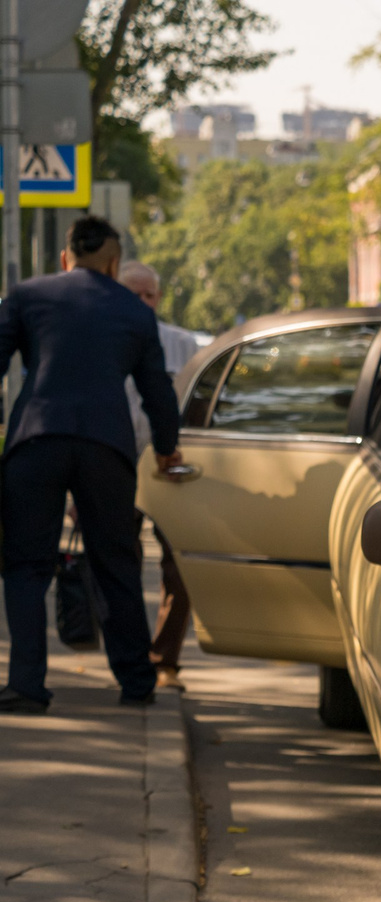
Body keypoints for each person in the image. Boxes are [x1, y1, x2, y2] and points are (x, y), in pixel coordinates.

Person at [0, 217, 181, 713]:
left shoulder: (26, 296)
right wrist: (167, 448)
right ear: (115, 264)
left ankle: (26, 684)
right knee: (115, 563)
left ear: (65, 258)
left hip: (35, 441)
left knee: (25, 565)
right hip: (106, 448)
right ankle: (136, 681)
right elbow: (157, 392)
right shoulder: (133, 311)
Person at [120, 260, 208, 689]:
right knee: (119, 564)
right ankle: (131, 657)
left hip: (167, 467)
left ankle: (164, 661)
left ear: (159, 297)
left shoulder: (181, 343)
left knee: (178, 566)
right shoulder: (103, 339)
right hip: (116, 464)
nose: (142, 303)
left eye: (148, 295)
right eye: (132, 293)